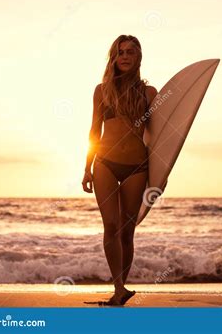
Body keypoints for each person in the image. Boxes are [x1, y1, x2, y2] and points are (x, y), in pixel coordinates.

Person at [82, 34, 158, 306]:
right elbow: (94, 130)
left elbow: (160, 137)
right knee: (111, 226)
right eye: (120, 52)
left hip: (137, 167)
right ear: (113, 58)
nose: (124, 56)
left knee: (127, 231)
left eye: (130, 52)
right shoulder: (102, 91)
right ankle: (119, 287)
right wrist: (87, 167)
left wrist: (162, 173)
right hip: (104, 163)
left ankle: (120, 290)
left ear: (138, 58)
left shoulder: (149, 94)